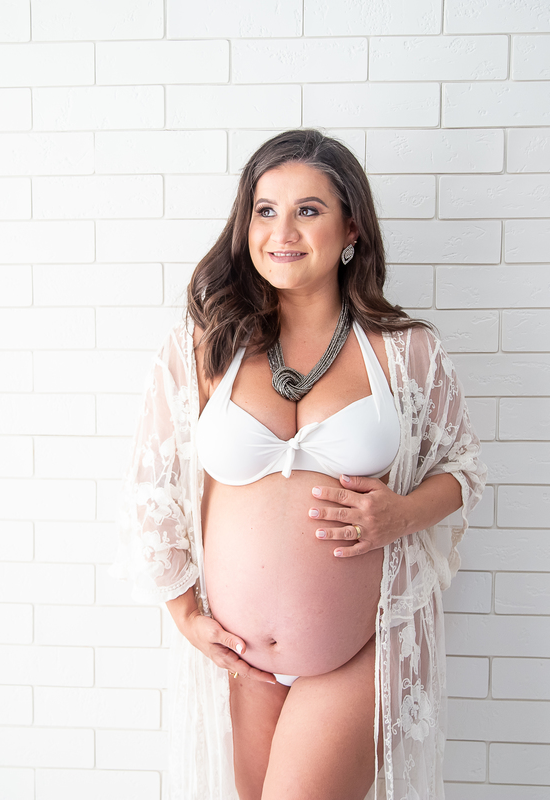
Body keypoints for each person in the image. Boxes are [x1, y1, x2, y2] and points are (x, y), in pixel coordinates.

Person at [112, 128, 488, 800]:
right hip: (241, 658)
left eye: (308, 210)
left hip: (360, 647)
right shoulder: (204, 345)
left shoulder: (405, 351)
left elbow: (462, 470)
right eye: (266, 210)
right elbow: (152, 488)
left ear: (352, 229)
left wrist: (400, 513)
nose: (282, 232)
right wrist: (185, 614)